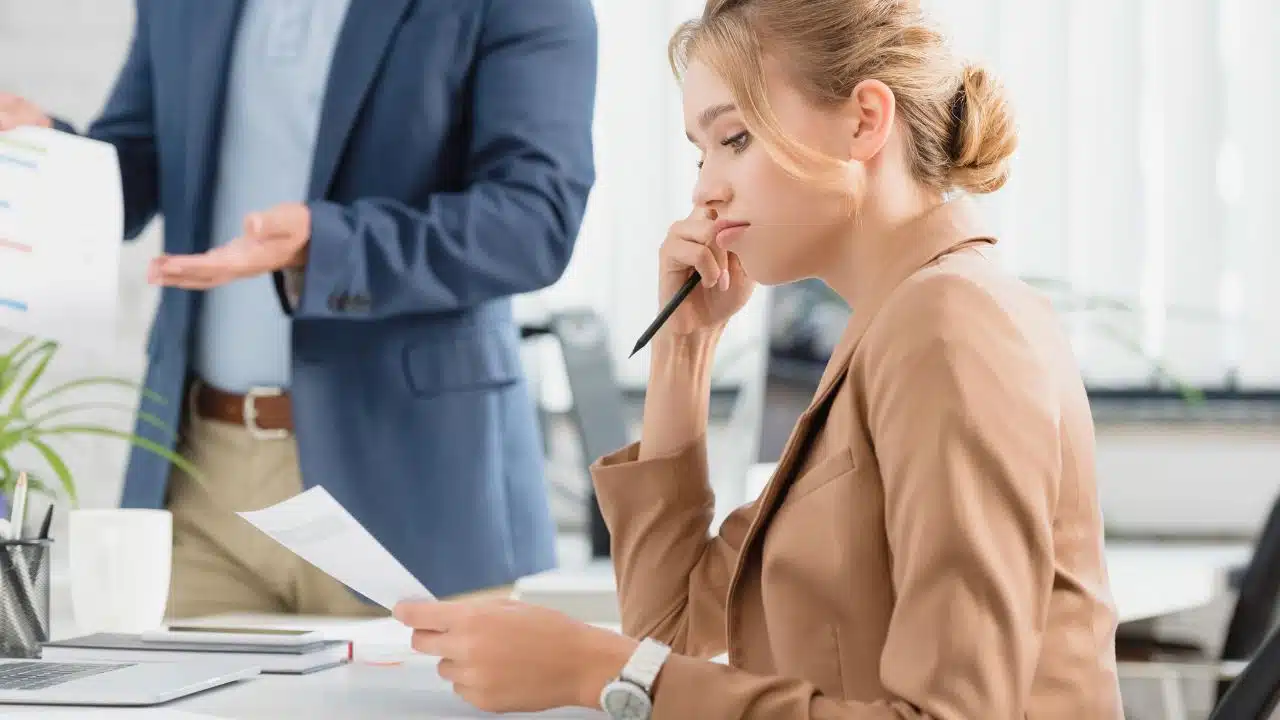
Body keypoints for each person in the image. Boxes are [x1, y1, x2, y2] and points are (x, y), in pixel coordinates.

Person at [391, 0, 1126, 717]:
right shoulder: (892, 328)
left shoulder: (950, 323)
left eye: (734, 138)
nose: (705, 189)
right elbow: (667, 631)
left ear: (865, 121)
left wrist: (595, 672)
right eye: (701, 151)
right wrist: (686, 347)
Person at [0, 0, 598, 616]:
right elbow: (144, 159)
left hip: (415, 487)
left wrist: (326, 247)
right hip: (200, 481)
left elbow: (534, 224)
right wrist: (54, 158)